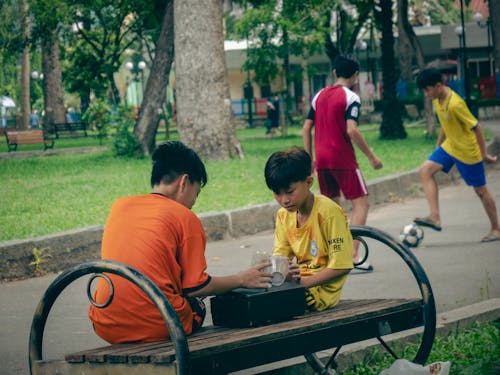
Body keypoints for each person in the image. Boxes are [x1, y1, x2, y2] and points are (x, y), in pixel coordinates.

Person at [88, 141, 272, 344]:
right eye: (196, 192)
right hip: (162, 323)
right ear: (184, 182)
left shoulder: (119, 207)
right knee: (196, 304)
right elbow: (196, 287)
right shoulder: (183, 216)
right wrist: (240, 279)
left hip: (105, 321)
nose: (194, 201)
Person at [303, 54, 383, 271]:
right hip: (343, 159)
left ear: (335, 73)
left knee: (333, 208)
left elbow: (306, 128)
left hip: (322, 161)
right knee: (361, 203)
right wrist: (371, 157)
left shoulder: (318, 96)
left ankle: (334, 256)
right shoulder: (351, 98)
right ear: (355, 76)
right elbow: (352, 129)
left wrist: (309, 158)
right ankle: (354, 255)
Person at [414, 68, 500, 242]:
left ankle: (496, 229)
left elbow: (477, 127)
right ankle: (435, 217)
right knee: (425, 170)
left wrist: (484, 155)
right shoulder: (437, 98)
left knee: (481, 190)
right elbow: (446, 123)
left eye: (427, 90)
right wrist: (438, 146)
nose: (426, 94)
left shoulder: (455, 104)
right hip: (450, 146)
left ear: (438, 86)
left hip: (467, 151)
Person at [265, 147, 354, 311]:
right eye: (277, 193)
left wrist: (302, 283)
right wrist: (281, 271)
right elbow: (280, 256)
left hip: (319, 293)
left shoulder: (328, 212)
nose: (284, 200)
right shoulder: (284, 216)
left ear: (308, 182)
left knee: (267, 308)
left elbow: (342, 265)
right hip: (297, 285)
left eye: (290, 192)